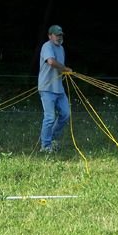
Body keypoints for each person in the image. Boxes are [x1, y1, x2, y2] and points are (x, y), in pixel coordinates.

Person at [38, 24, 72, 152]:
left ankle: (52, 138)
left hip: (59, 89)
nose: (59, 37)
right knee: (50, 117)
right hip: (47, 88)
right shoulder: (47, 46)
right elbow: (51, 62)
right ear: (50, 36)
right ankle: (45, 146)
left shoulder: (61, 48)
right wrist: (65, 68)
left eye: (61, 35)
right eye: (57, 35)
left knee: (65, 114)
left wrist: (65, 72)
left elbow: (59, 66)